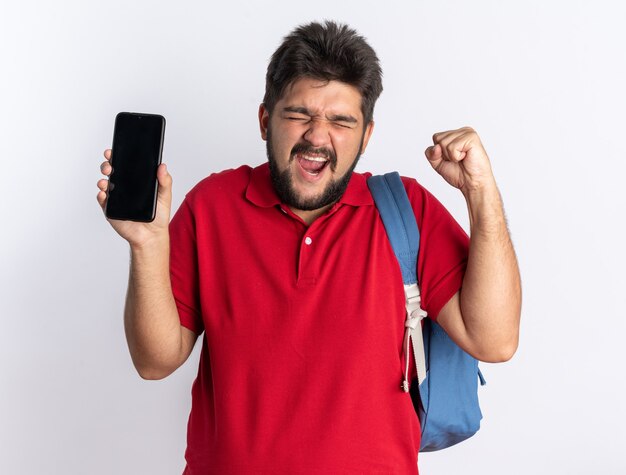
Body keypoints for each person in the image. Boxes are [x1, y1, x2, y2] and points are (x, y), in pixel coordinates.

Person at [97, 20, 521, 475]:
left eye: (341, 121)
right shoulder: (212, 205)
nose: (318, 137)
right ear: (265, 121)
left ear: (366, 135)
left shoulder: (406, 209)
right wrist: (147, 243)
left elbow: (493, 341)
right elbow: (155, 361)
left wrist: (481, 192)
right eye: (299, 114)